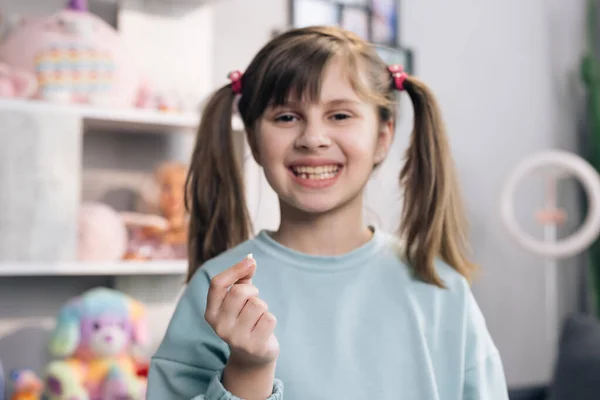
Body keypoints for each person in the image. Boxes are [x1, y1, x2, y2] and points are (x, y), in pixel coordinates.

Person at [147, 26, 509, 400]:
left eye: (339, 116)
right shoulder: (215, 291)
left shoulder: (443, 291)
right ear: (253, 140)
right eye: (287, 117)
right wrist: (247, 371)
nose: (313, 137)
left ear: (383, 137)